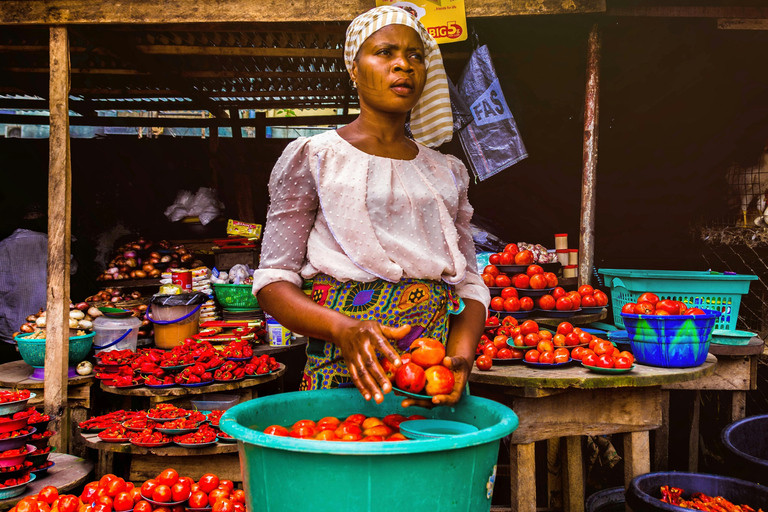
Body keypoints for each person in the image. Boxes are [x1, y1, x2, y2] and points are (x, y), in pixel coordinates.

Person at [252, 6, 490, 407]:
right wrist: (344, 329)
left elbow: (469, 285)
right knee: (346, 459)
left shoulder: (446, 171)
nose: (404, 64)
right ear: (354, 69)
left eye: (416, 56)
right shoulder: (315, 156)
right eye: (385, 52)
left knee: (431, 466)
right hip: (342, 368)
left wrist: (460, 360)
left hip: (431, 379)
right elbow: (273, 281)